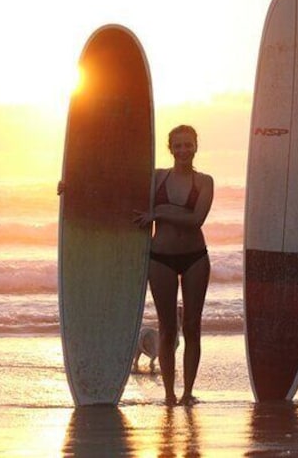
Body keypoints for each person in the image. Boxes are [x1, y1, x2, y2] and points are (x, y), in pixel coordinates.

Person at [133, 125, 214, 406]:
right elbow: (120, 191)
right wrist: (71, 187)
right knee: (167, 328)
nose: (183, 150)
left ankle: (188, 392)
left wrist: (159, 212)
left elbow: (197, 219)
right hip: (161, 259)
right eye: (177, 145)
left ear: (195, 146)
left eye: (188, 145)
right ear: (170, 148)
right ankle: (169, 394)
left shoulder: (205, 181)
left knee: (192, 326)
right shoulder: (156, 178)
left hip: (195, 258)